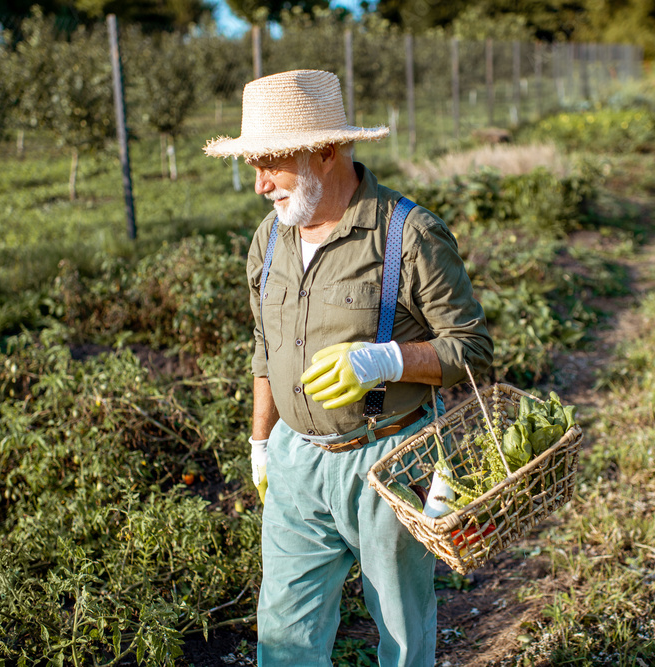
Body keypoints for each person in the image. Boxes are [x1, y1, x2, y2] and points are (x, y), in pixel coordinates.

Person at [204, 69, 492, 667]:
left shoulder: (408, 235)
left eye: (271, 165)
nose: (260, 184)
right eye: (253, 165)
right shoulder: (269, 239)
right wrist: (262, 442)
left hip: (386, 461)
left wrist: (382, 359)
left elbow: (471, 349)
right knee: (284, 630)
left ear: (327, 149)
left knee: (400, 630)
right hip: (294, 461)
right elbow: (265, 345)